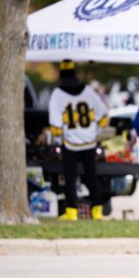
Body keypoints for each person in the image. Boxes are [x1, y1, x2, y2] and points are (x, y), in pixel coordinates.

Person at [48, 60, 109, 220]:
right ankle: (97, 210)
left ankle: (72, 211)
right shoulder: (88, 90)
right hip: (89, 142)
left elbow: (55, 125)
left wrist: (57, 137)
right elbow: (103, 114)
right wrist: (96, 132)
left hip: (70, 143)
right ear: (75, 73)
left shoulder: (57, 94)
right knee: (91, 176)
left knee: (70, 178)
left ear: (61, 75)